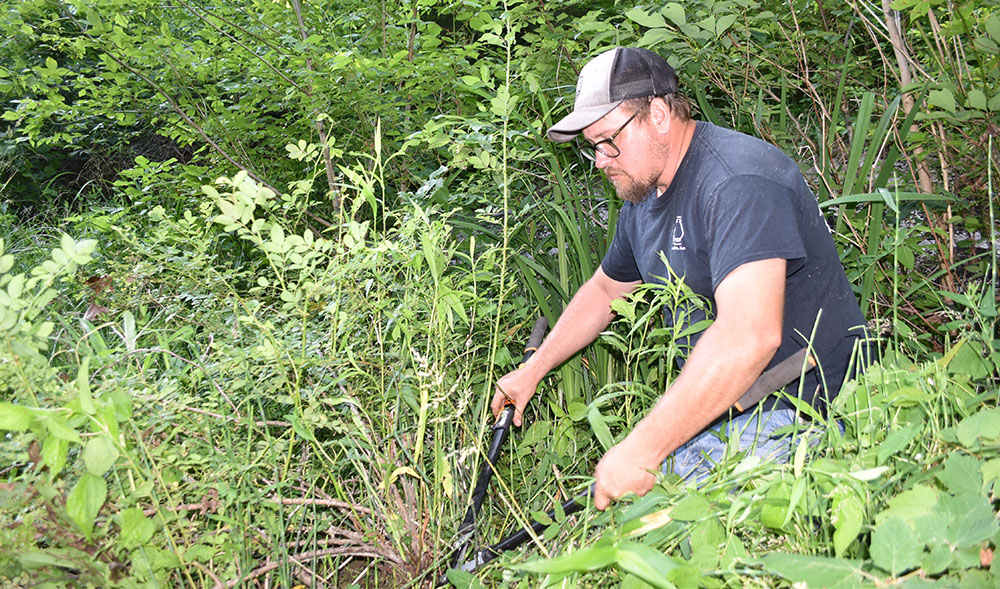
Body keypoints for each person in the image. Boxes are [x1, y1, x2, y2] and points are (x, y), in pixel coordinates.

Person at [491, 47, 868, 510]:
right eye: (593, 146)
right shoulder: (646, 192)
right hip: (731, 406)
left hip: (810, 410)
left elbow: (748, 336)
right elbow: (606, 291)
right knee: (612, 514)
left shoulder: (737, 183)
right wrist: (533, 369)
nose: (600, 160)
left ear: (660, 114)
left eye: (609, 140)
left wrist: (642, 449)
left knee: (643, 523)